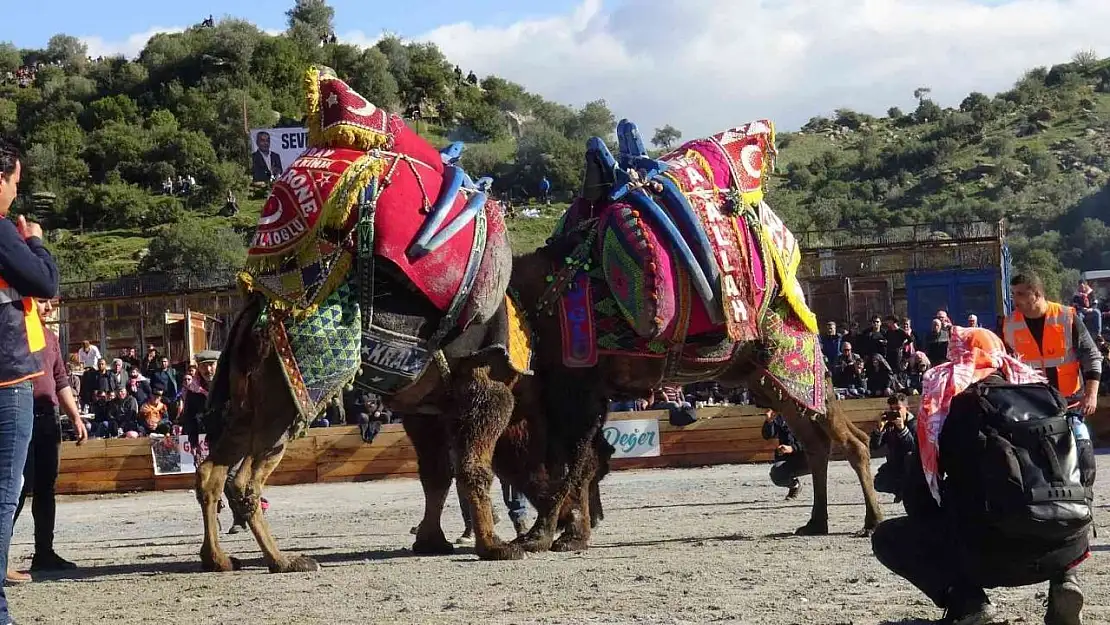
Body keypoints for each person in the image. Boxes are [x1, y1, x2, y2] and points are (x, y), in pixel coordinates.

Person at [872, 327, 1090, 625]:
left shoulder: (953, 407)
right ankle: (1066, 582)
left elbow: (921, 495)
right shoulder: (1048, 395)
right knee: (1058, 492)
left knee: (888, 537)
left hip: (993, 556)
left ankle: (968, 602)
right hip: (1065, 545)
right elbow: (1085, 470)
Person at [0, 139, 60, 625]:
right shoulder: (2, 232)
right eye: (15, 182)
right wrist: (33, 240)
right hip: (8, 378)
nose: (15, 193)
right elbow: (46, 282)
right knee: (4, 494)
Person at [10, 299, 87, 582]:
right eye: (42, 302)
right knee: (16, 487)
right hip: (19, 412)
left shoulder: (51, 337)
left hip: (48, 416)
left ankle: (44, 552)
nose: (48, 309)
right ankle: (1, 556)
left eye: (50, 303)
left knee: (46, 487)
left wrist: (76, 418)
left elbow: (61, 380)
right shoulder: (12, 332)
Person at [1004, 272, 1101, 417]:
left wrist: (1091, 395)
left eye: (1020, 294)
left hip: (1070, 403)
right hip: (1032, 406)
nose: (1014, 299)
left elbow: (1091, 356)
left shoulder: (1066, 317)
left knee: (1080, 439)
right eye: (1013, 294)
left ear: (1037, 295)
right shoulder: (1009, 324)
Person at [869, 393, 916, 502]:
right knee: (879, 483)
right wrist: (879, 430)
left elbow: (913, 448)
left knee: (910, 457)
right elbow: (874, 446)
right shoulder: (889, 425)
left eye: (898, 409)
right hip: (894, 466)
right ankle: (900, 490)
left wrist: (902, 429)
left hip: (913, 468)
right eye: (892, 409)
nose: (895, 413)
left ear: (906, 409)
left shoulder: (914, 424)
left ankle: (907, 491)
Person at [762, 411, 807, 500]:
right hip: (789, 458)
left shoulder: (806, 414)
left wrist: (793, 448)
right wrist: (769, 421)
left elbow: (812, 441)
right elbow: (767, 435)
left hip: (809, 458)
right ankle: (794, 485)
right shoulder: (780, 416)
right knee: (777, 474)